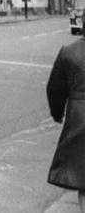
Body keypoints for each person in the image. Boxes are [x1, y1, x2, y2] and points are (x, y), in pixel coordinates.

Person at [46, 34, 85, 212]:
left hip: (79, 119)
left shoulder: (68, 52)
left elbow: (54, 88)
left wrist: (57, 113)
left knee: (83, 177)